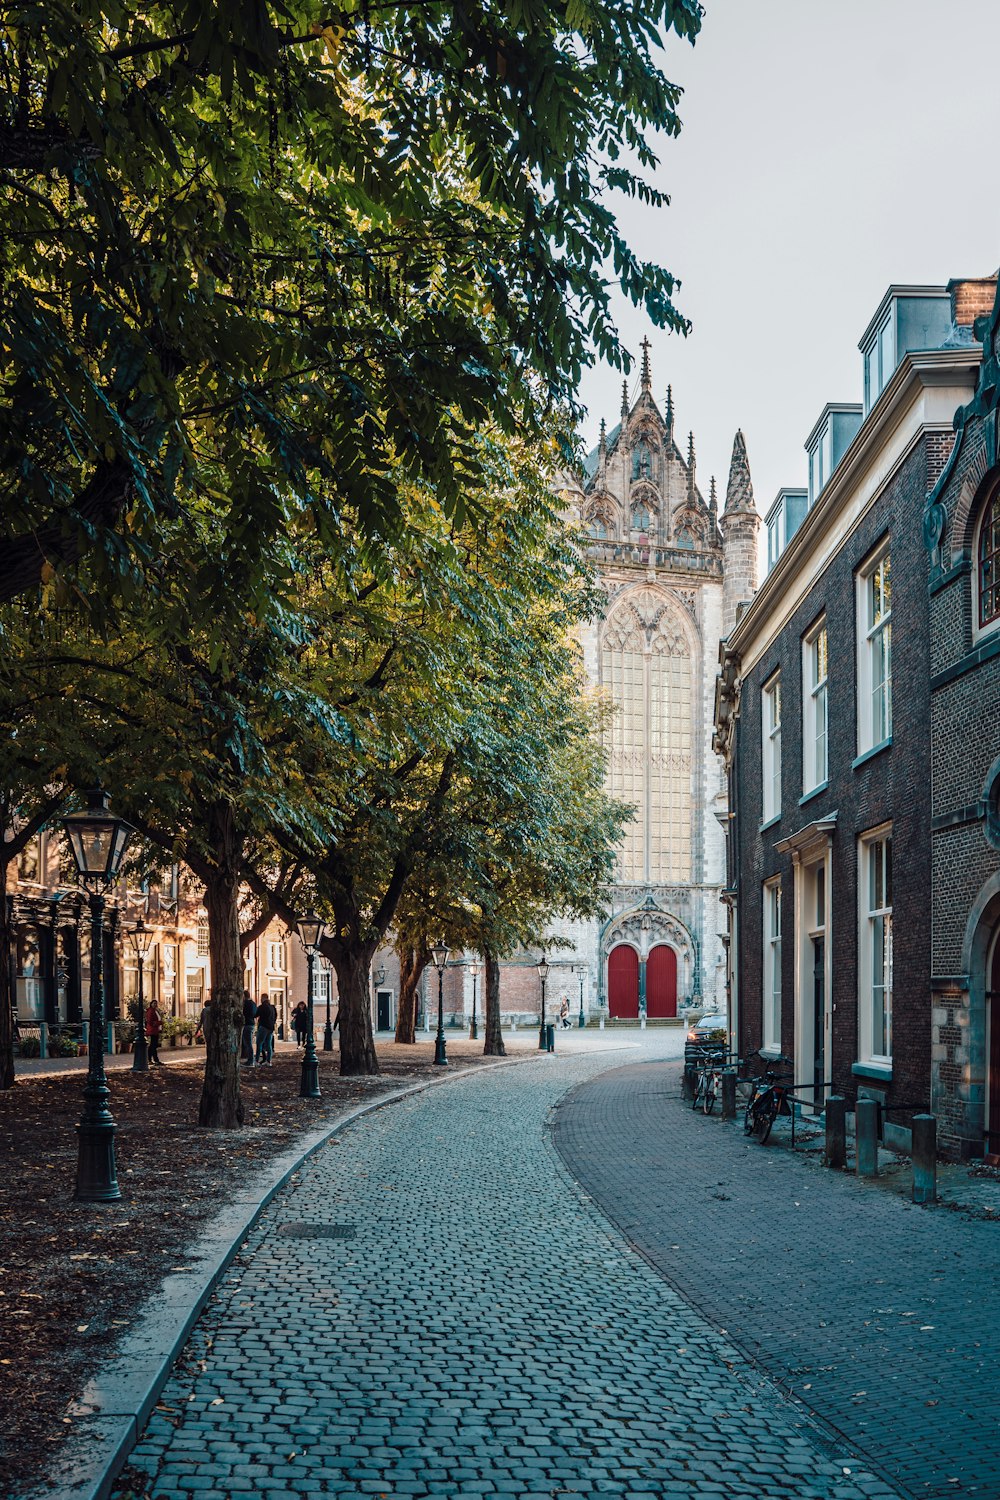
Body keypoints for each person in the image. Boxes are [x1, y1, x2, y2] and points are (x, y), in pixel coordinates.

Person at [255, 992, 277, 1065]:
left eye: (261, 998)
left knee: (259, 1043)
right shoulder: (272, 1007)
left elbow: (256, 1014)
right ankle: (268, 1061)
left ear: (263, 998)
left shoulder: (262, 1007)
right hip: (270, 1028)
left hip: (263, 1027)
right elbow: (275, 1017)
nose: (260, 999)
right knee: (269, 1045)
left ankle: (256, 1061)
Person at [241, 990, 257, 1065]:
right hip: (252, 1024)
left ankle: (250, 1060)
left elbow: (243, 1013)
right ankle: (250, 1059)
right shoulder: (253, 1003)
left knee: (248, 1043)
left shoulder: (245, 1004)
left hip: (247, 1024)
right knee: (248, 1042)